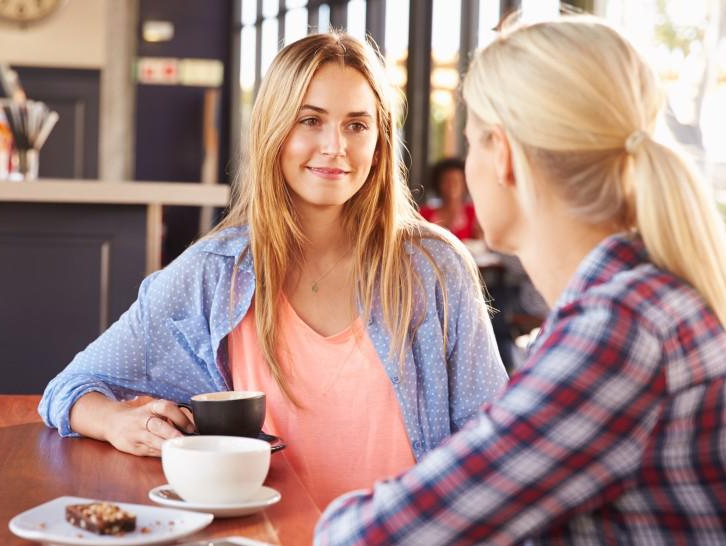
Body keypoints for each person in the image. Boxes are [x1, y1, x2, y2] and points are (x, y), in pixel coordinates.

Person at [315, 15, 726, 544]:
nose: (470, 165)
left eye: (474, 143)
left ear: (502, 156)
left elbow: (367, 537)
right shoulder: (642, 302)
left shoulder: (618, 333)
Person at [38, 32, 507, 510]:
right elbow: (70, 389)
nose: (335, 147)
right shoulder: (215, 272)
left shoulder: (434, 267)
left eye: (357, 125)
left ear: (381, 141)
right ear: (274, 129)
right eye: (311, 120)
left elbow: (492, 443)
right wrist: (118, 422)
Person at [419, 157, 479, 240]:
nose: (452, 186)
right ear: (437, 183)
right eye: (447, 181)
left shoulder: (473, 214)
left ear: (465, 184)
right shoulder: (424, 214)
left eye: (457, 181)